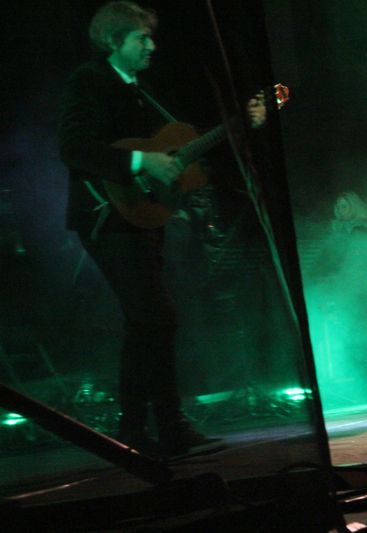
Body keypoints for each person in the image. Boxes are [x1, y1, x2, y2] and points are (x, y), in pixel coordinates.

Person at [58, 1, 221, 456]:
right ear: (114, 41)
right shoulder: (90, 80)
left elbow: (167, 160)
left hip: (140, 217)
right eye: (141, 38)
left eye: (150, 37)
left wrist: (177, 183)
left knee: (147, 322)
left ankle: (139, 431)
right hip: (106, 217)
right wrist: (139, 160)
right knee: (155, 317)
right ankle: (162, 429)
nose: (152, 45)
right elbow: (74, 146)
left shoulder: (140, 92)